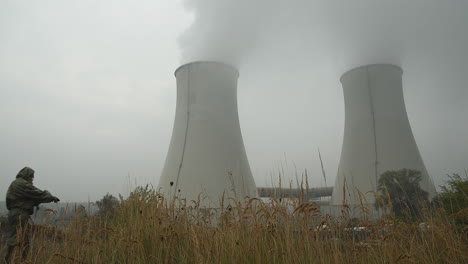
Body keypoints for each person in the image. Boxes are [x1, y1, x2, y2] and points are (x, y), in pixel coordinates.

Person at [0, 167, 60, 263]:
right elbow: (36, 193)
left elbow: (32, 196)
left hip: (18, 214)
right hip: (19, 214)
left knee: (23, 240)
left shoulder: (18, 183)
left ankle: (20, 260)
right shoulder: (21, 183)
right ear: (26, 175)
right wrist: (50, 197)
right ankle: (6, 260)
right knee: (15, 239)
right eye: (31, 176)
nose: (32, 179)